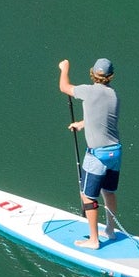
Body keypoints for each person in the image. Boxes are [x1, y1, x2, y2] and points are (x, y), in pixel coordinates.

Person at [58, 57, 121, 248]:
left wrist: (64, 68)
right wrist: (82, 124)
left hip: (98, 155)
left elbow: (64, 87)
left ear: (93, 73)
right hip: (115, 152)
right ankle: (110, 230)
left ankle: (94, 240)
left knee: (87, 196)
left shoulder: (88, 91)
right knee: (108, 192)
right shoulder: (113, 95)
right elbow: (103, 119)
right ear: (111, 76)